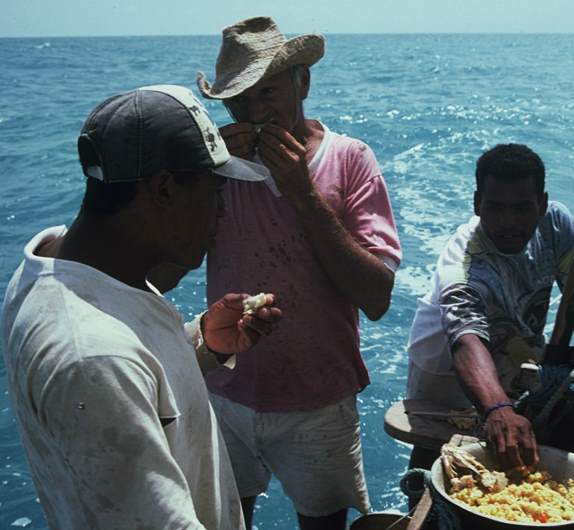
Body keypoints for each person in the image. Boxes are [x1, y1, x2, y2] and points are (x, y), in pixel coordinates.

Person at [1, 85, 283, 530]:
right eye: (215, 190)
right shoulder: (94, 357)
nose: (223, 211)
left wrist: (204, 343)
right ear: (165, 189)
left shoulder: (54, 267)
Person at [196, 16, 402, 530]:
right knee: (224, 520)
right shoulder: (212, 167)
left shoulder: (350, 159)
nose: (254, 113)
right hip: (223, 391)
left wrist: (303, 194)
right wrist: (202, 176)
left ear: (302, 83)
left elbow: (376, 296)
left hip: (318, 401)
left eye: (267, 94)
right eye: (238, 102)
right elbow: (167, 258)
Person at [405, 143, 574, 470]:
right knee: (438, 454)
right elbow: (466, 339)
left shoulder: (558, 224)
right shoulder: (465, 268)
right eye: (495, 208)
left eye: (522, 209)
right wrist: (498, 408)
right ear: (476, 204)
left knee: (517, 442)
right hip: (447, 365)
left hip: (513, 347)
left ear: (542, 204)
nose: (508, 222)